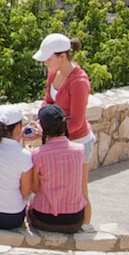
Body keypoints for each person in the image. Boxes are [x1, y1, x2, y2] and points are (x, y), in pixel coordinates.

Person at [23, 104, 89, 233]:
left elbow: (35, 189)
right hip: (74, 219)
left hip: (44, 219)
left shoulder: (38, 154)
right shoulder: (80, 150)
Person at [34, 32, 94, 164]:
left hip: (78, 143)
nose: (45, 63)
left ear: (62, 56)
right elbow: (48, 101)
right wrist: (41, 120)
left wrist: (48, 132)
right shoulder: (53, 72)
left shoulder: (79, 82)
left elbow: (76, 122)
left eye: (48, 59)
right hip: (59, 142)